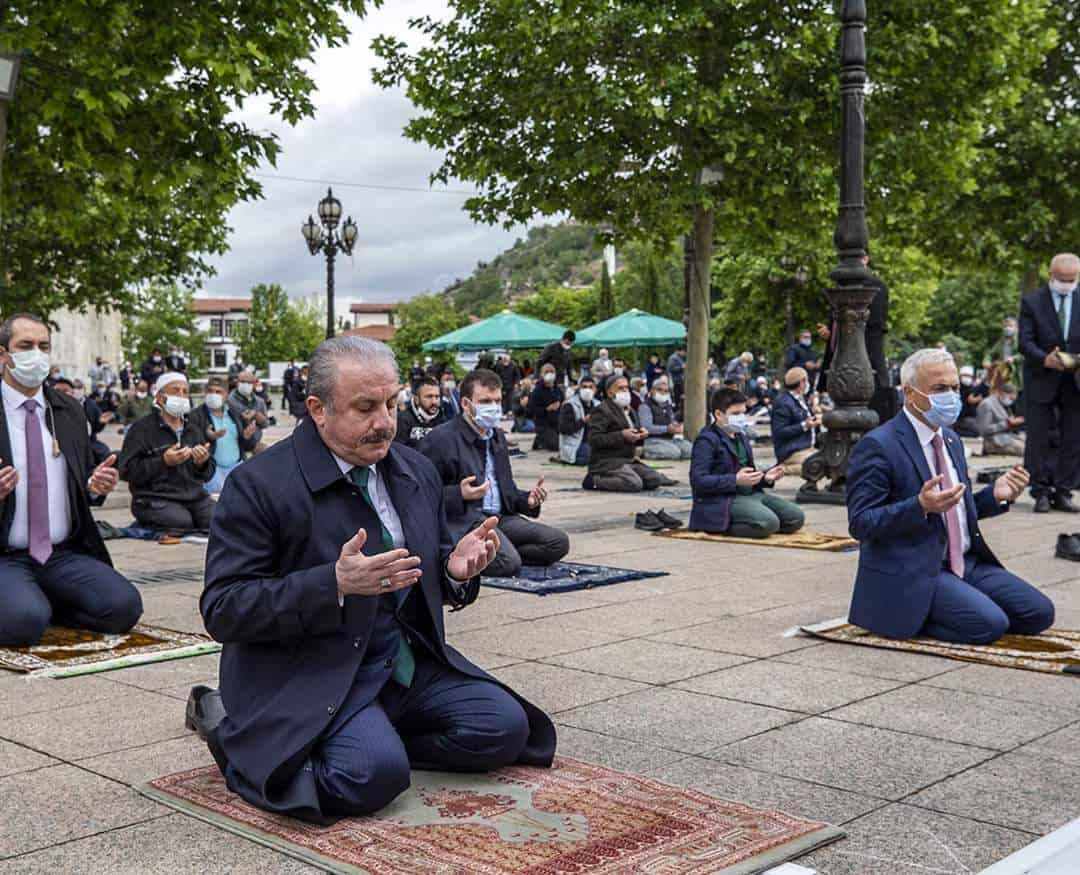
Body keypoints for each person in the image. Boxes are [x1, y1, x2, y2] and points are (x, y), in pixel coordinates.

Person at [189, 337, 554, 822]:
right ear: (318, 409)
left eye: (391, 403)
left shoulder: (415, 471)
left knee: (503, 730)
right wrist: (333, 584)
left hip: (403, 663)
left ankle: (374, 737)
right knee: (369, 778)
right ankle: (230, 728)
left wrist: (454, 571)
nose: (384, 422)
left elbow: (425, 572)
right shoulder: (258, 485)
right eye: (365, 407)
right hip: (314, 670)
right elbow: (223, 608)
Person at [846, 348, 1053, 644]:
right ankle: (906, 617)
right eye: (940, 389)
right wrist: (919, 506)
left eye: (955, 388)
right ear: (910, 393)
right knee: (990, 625)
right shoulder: (878, 445)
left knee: (1038, 613)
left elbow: (956, 510)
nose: (952, 397)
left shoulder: (951, 438)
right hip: (916, 568)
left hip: (966, 562)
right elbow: (861, 523)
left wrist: (994, 496)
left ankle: (957, 603)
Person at [0, 314, 142, 646]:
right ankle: (27, 606)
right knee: (25, 624)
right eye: (25, 345)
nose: (36, 353)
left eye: (43, 346)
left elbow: (82, 477)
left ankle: (45, 603)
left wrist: (94, 486)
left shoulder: (69, 410)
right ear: (3, 355)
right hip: (4, 553)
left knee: (124, 608)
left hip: (60, 553)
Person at [422, 368, 569, 577]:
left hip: (500, 518)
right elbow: (420, 493)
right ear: (466, 404)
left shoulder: (496, 436)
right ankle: (459, 555)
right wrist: (459, 494)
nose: (493, 408)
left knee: (558, 542)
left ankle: (499, 552)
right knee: (508, 563)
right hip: (464, 520)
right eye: (485, 402)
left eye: (497, 401)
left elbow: (506, 490)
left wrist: (528, 500)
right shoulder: (441, 439)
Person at [689, 387, 804, 537]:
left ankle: (755, 520)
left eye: (743, 412)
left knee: (795, 517)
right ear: (718, 414)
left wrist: (765, 477)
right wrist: (735, 480)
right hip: (724, 499)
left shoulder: (740, 437)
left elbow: (748, 473)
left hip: (751, 494)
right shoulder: (707, 440)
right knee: (769, 523)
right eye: (736, 413)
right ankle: (714, 525)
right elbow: (698, 480)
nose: (741, 417)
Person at [1019, 252, 1080, 514]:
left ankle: (1065, 491)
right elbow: (1024, 342)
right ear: (1050, 275)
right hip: (1041, 377)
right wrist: (1045, 359)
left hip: (1075, 381)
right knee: (1038, 438)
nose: (1066, 283)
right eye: (1062, 279)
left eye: (1071, 279)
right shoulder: (1032, 301)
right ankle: (1040, 491)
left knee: (1073, 437)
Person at [118, 371, 216, 531]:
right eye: (175, 390)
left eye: (185, 392)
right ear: (160, 398)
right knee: (181, 523)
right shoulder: (141, 429)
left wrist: (202, 463)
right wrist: (163, 461)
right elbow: (126, 471)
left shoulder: (193, 429)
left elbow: (208, 474)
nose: (181, 395)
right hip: (155, 498)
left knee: (218, 519)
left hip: (193, 496)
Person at [819, 252, 894, 423]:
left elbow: (871, 323)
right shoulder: (844, 286)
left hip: (864, 353)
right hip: (851, 353)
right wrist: (831, 334)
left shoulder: (874, 286)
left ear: (866, 259)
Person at [585, 375, 674, 492]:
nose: (625, 391)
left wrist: (641, 434)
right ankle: (595, 480)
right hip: (607, 461)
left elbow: (633, 433)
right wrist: (621, 435)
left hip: (627, 460)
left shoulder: (630, 410)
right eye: (620, 388)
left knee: (654, 479)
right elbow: (594, 439)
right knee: (634, 484)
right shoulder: (602, 410)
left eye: (626, 388)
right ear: (610, 393)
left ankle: (627, 474)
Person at [191, 377, 258, 493]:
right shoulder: (195, 416)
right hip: (212, 470)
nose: (213, 395)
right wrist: (208, 437)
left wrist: (247, 437)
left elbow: (248, 446)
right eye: (210, 391)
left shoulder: (235, 414)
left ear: (226, 395)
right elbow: (191, 444)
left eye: (218, 392)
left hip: (236, 466)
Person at [771, 367, 821, 477]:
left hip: (807, 447)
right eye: (806, 380)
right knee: (816, 466)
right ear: (802, 382)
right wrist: (805, 425)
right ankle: (783, 469)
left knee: (827, 461)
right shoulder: (784, 403)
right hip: (792, 451)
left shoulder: (800, 399)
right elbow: (780, 432)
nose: (808, 383)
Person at [638, 376, 692, 461]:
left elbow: (672, 421)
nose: (663, 392)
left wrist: (677, 426)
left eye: (666, 391)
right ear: (652, 390)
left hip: (670, 439)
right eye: (659, 389)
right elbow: (647, 427)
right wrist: (667, 429)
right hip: (653, 440)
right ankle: (646, 452)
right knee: (675, 453)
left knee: (691, 451)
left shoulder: (668, 406)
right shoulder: (645, 406)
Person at [395, 377, 446, 450]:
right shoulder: (402, 420)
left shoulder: (443, 420)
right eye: (429, 397)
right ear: (416, 399)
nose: (434, 401)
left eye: (437, 397)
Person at [558, 377, 600, 466]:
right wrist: (583, 421)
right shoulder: (570, 405)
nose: (587, 390)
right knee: (592, 456)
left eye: (590, 387)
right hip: (576, 444)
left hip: (594, 441)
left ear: (595, 389)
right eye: (584, 387)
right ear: (579, 389)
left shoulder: (598, 405)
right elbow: (563, 429)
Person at [976, 382, 1025, 457]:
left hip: (1008, 437)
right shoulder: (987, 404)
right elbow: (984, 430)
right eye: (1010, 398)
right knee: (1026, 450)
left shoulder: (1003, 404)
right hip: (994, 442)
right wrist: (1008, 423)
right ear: (1002, 393)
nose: (1011, 401)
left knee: (1033, 445)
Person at [526, 364, 562, 452]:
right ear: (541, 374)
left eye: (552, 372)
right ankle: (541, 438)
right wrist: (546, 409)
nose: (549, 374)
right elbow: (530, 409)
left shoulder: (557, 388)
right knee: (556, 446)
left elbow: (562, 401)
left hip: (556, 423)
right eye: (547, 372)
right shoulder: (537, 390)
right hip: (543, 424)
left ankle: (540, 439)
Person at [229, 371, 270, 447]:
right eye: (243, 381)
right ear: (237, 382)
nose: (246, 385)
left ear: (254, 384)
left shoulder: (259, 401)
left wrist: (260, 417)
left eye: (249, 382)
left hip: (255, 443)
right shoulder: (229, 401)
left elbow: (265, 424)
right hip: (235, 443)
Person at [955, 365, 989, 437]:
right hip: (961, 418)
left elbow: (982, 388)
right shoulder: (956, 388)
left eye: (969, 376)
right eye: (965, 375)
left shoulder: (971, 387)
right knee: (977, 431)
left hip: (971, 417)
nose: (967, 378)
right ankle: (956, 432)